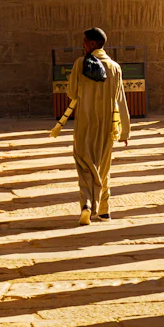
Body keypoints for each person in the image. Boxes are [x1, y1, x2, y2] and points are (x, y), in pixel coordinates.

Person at [68, 27, 131, 226]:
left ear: (93, 44)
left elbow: (71, 93)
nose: (83, 45)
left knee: (84, 165)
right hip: (107, 126)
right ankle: (104, 210)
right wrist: (125, 130)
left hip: (85, 124)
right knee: (103, 167)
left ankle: (87, 204)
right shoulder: (115, 67)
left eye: (85, 42)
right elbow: (121, 100)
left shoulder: (80, 64)